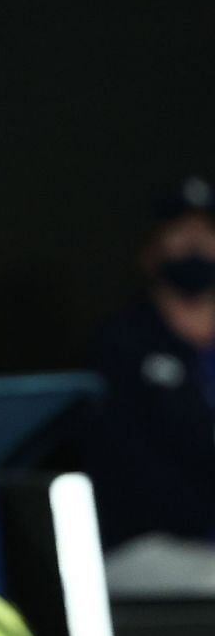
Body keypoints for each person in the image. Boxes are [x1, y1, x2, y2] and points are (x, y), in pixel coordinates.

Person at [89, 176, 215, 596]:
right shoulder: (120, 347)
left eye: (207, 232)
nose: (196, 245)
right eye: (180, 233)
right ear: (150, 249)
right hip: (147, 545)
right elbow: (131, 474)